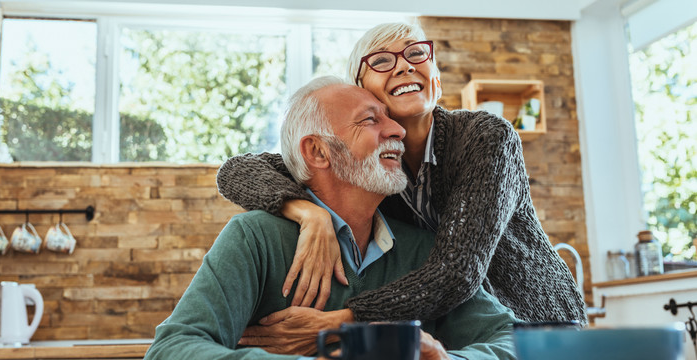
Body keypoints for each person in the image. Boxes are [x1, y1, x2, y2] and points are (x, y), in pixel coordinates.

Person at [216, 21, 587, 329]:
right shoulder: (367, 166)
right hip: (460, 331)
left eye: (415, 53)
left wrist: (343, 320)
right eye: (380, 60)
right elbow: (238, 170)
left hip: (538, 323)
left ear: (436, 80)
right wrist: (307, 212)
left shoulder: (486, 137)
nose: (404, 66)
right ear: (362, 93)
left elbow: (456, 271)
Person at [145, 76, 518, 360]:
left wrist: (447, 358)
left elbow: (514, 340)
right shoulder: (255, 238)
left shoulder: (421, 249)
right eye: (370, 120)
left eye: (389, 119)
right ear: (318, 152)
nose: (397, 130)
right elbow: (172, 349)